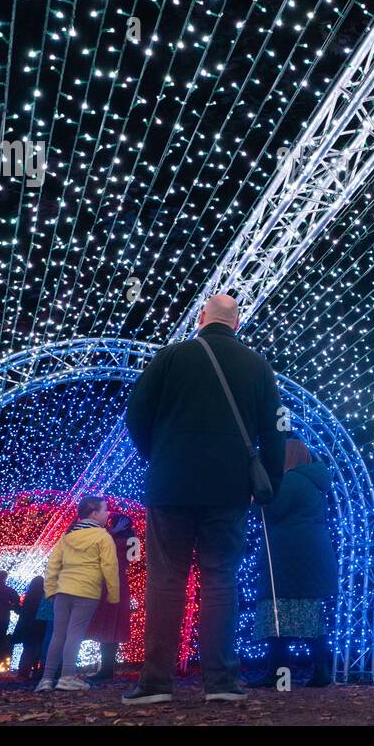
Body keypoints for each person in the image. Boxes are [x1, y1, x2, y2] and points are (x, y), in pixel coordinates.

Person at [122, 293, 285, 705]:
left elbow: (136, 414)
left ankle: (156, 683)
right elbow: (274, 430)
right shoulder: (257, 365)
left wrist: (157, 456)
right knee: (219, 579)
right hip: (229, 489)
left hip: (171, 485)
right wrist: (271, 483)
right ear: (237, 322)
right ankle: (221, 683)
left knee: (166, 580)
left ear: (201, 318)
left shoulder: (171, 356)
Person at [250, 438, 336, 688]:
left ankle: (278, 672)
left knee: (277, 614)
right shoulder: (315, 482)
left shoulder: (292, 480)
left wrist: (256, 500)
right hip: (309, 560)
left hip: (288, 560)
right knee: (311, 616)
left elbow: (269, 511)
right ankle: (320, 671)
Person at [36, 496, 120, 692]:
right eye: (105, 509)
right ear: (93, 513)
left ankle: (46, 679)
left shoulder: (66, 538)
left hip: (63, 591)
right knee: (75, 633)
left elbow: (52, 566)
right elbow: (110, 567)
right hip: (86, 591)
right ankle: (67, 677)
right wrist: (114, 595)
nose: (108, 513)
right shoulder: (103, 537)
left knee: (58, 634)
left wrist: (50, 590)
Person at [86, 513, 135, 681]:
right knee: (108, 624)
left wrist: (114, 533)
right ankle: (106, 668)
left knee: (111, 624)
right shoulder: (108, 535)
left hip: (113, 582)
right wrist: (114, 532)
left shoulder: (122, 538)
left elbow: (134, 558)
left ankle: (107, 668)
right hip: (111, 582)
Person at [13, 576, 48, 680]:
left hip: (27, 627)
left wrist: (15, 606)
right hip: (40, 626)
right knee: (39, 649)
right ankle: (37, 672)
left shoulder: (29, 597)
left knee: (27, 649)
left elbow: (22, 612)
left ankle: (23, 672)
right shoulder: (45, 597)